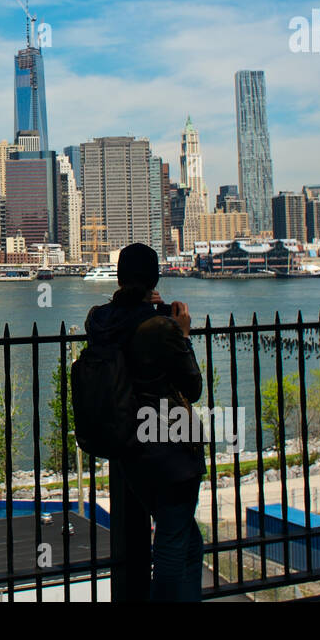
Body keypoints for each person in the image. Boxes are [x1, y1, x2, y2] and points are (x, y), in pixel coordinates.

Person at [85, 242, 204, 601]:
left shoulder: (99, 321)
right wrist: (182, 334)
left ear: (119, 278)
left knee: (186, 539)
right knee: (171, 542)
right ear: (155, 278)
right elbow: (193, 386)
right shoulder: (160, 326)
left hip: (130, 448)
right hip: (170, 448)